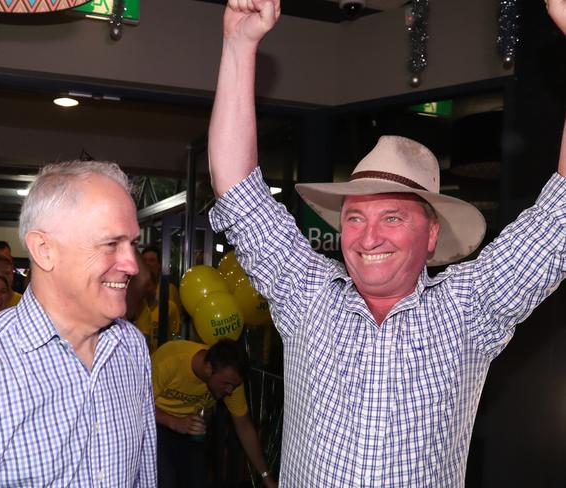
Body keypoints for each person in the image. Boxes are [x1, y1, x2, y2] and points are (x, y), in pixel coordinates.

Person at [206, 1, 566, 486]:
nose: (368, 237)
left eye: (392, 216)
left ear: (432, 231)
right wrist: (239, 41)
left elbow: (559, 217)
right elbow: (236, 190)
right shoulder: (306, 295)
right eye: (355, 218)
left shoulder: (469, 308)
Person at [0, 160, 156, 485]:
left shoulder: (131, 347)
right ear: (44, 250)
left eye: (133, 245)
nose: (131, 265)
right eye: (111, 244)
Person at [153, 339, 277, 488]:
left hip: (191, 429)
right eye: (227, 384)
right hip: (156, 423)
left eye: (234, 386)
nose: (230, 391)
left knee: (198, 483)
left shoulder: (231, 379)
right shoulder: (170, 359)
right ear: (208, 368)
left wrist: (267, 478)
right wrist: (175, 422)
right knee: (166, 481)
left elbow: (244, 427)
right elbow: (138, 405)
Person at [135, 271, 181, 352]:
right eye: (142, 285)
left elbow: (176, 336)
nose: (145, 289)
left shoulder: (170, 307)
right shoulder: (134, 310)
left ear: (155, 286)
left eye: (148, 285)